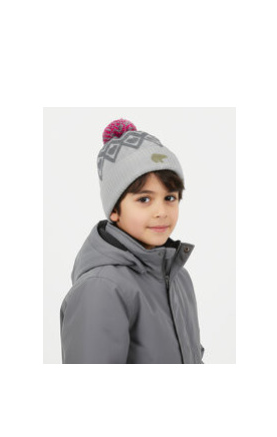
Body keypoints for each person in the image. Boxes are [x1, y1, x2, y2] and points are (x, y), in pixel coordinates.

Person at [60, 118, 204, 364]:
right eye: (144, 199)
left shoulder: (178, 276)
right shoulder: (101, 288)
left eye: (170, 198)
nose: (161, 212)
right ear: (115, 210)